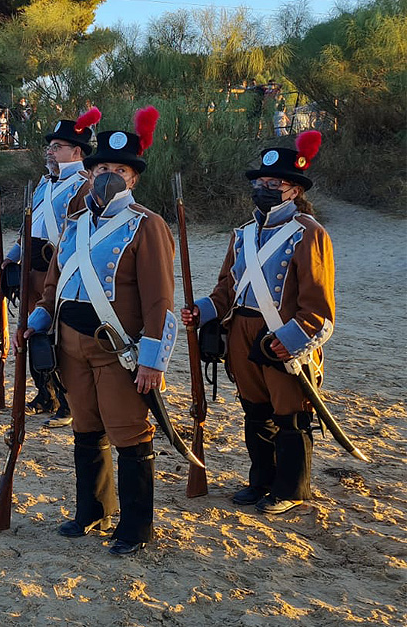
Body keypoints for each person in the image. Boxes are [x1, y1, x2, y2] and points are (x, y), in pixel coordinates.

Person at [20, 106, 174, 556]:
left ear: (134, 178)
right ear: (89, 173)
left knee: (129, 433)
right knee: (86, 429)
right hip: (69, 345)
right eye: (103, 168)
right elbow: (54, 282)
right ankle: (93, 510)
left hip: (117, 349)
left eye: (119, 171)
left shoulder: (147, 225)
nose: (109, 176)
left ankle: (136, 527)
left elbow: (159, 301)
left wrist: (152, 361)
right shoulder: (77, 223)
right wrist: (39, 317)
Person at [182, 131, 333, 516]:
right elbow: (226, 290)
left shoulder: (309, 233)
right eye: (260, 182)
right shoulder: (243, 235)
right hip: (241, 333)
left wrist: (292, 339)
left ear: (294, 190)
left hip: (281, 335)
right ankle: (261, 480)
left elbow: (318, 307)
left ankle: (291, 488)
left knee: (291, 415)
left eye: (274, 183)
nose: (264, 188)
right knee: (256, 412)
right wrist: (201, 311)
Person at [4, 106, 101, 428]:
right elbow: (29, 227)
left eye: (57, 146)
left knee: (58, 336)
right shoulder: (45, 183)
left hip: (59, 271)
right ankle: (44, 393)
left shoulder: (84, 186)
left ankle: (67, 400)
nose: (50, 150)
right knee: (32, 331)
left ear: (77, 151)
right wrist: (12, 256)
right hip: (32, 269)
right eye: (50, 146)